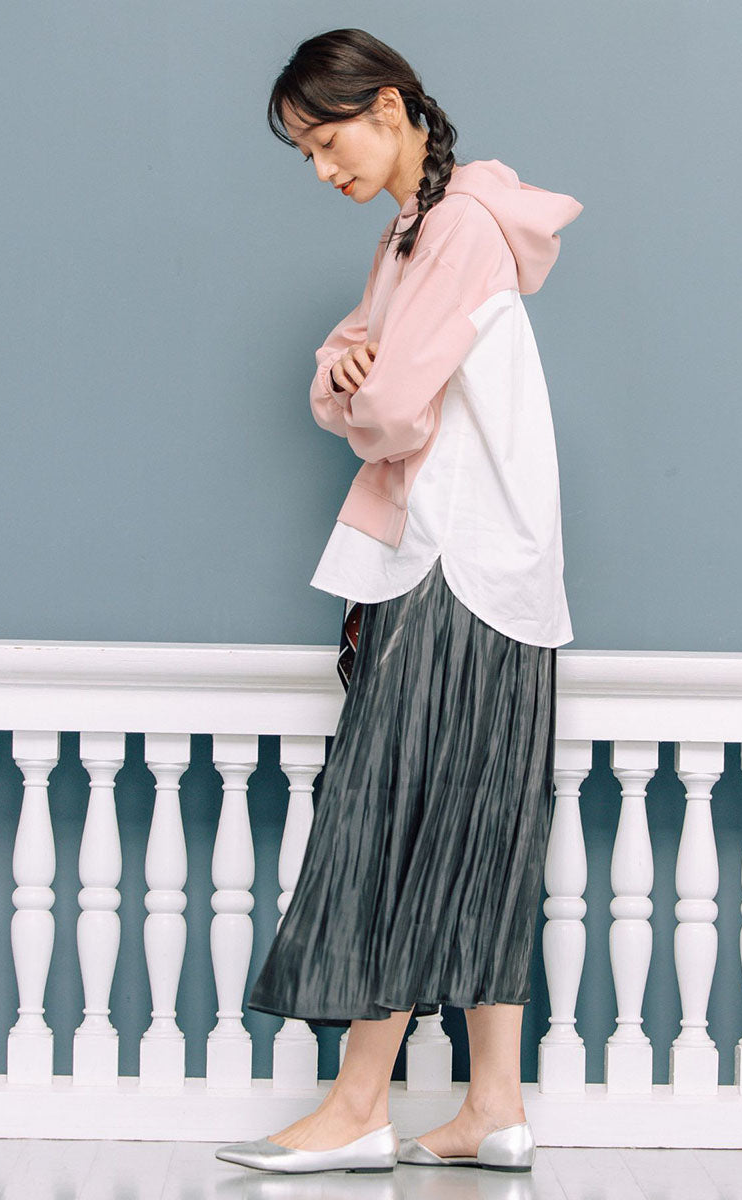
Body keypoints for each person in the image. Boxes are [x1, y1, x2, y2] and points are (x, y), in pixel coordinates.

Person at [215, 27, 583, 1177]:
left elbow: (389, 411)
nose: (321, 167)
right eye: (304, 153)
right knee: (477, 825)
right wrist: (349, 379)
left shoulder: (455, 229)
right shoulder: (418, 232)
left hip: (449, 562)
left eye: (326, 140)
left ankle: (357, 1105)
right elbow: (350, 366)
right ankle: (493, 1107)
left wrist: (354, 388)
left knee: (389, 816)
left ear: (387, 106)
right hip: (495, 571)